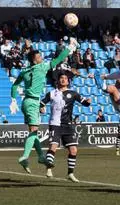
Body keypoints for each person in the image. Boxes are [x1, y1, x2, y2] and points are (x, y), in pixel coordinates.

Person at [10, 37, 79, 174]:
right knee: (34, 131)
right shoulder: (41, 67)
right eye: (39, 56)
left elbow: (15, 85)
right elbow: (58, 60)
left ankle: (41, 156)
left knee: (33, 131)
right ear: (35, 60)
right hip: (34, 102)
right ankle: (24, 156)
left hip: (25, 102)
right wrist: (70, 48)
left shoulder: (25, 71)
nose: (41, 58)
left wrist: (13, 99)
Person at [40, 73, 91, 182]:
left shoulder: (73, 94)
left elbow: (85, 104)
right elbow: (41, 103)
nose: (63, 80)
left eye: (65, 78)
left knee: (73, 150)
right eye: (61, 78)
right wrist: (42, 108)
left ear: (68, 81)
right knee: (53, 146)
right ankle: (49, 169)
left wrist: (88, 101)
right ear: (58, 81)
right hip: (55, 124)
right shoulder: (52, 93)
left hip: (67, 125)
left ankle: (70, 173)